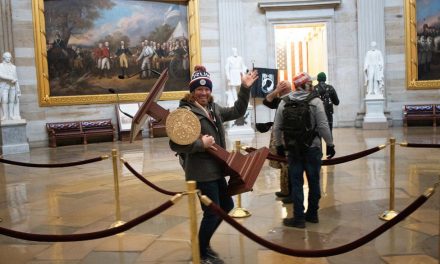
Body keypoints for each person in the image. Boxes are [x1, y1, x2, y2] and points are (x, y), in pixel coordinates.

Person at [169, 65, 258, 264]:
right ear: (192, 92)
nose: (204, 92)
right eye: (199, 89)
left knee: (226, 205)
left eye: (207, 89)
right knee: (213, 211)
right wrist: (201, 144)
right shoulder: (184, 112)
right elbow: (175, 144)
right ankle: (201, 251)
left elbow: (238, 110)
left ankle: (202, 245)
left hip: (217, 169)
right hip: (200, 172)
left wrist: (244, 88)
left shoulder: (213, 108)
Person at [273, 72, 335, 229]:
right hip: (312, 148)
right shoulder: (315, 101)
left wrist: (280, 146)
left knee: (296, 182)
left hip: (293, 149)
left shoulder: (284, 101)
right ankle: (312, 214)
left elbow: (277, 127)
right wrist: (330, 144)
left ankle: (298, 218)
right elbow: (322, 125)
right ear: (307, 85)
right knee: (314, 181)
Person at [262, 81, 292, 201]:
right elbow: (266, 100)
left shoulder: (290, 99)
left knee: (287, 165)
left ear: (283, 90)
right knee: (283, 164)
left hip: (287, 137)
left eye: (279, 87)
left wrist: (276, 91)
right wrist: (276, 91)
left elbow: (267, 100)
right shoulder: (281, 99)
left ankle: (290, 193)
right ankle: (285, 190)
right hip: (280, 135)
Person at [0, 52, 21, 120]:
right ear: (4, 57)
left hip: (12, 86)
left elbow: (16, 77)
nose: (9, 59)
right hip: (4, 86)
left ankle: (11, 115)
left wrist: (17, 86)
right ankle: (5, 115)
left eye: (9, 57)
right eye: (7, 57)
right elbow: (0, 75)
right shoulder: (1, 66)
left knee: (12, 100)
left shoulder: (13, 67)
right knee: (4, 100)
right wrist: (11, 78)